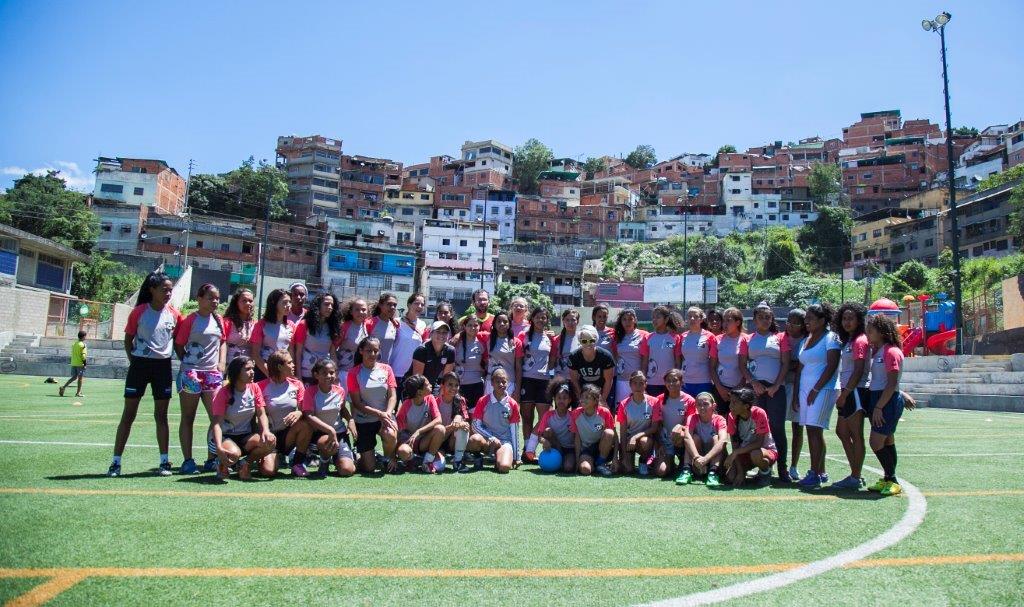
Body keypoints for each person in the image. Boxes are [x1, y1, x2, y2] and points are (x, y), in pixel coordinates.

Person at [108, 272, 182, 477]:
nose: (168, 293)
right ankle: (116, 462)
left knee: (162, 417)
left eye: (170, 290)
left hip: (163, 367)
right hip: (139, 366)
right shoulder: (139, 311)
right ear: (152, 290)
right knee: (128, 415)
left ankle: (164, 462)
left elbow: (178, 341)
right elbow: (128, 339)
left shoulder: (175, 314)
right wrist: (135, 362)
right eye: (164, 289)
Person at [173, 283, 227, 475]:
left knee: (216, 418)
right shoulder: (191, 320)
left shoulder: (218, 319)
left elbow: (223, 342)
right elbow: (179, 345)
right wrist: (189, 365)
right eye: (211, 297)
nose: (215, 301)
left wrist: (221, 363)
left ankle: (211, 459)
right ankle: (188, 461)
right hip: (191, 374)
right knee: (188, 418)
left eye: (217, 298)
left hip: (212, 374)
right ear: (199, 299)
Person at [740, 303, 792, 481]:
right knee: (757, 430)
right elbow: (742, 364)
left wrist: (776, 385)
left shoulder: (780, 337)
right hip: (755, 390)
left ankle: (783, 468)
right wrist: (753, 382)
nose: (765, 320)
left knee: (777, 428)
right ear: (754, 320)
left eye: (768, 317)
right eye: (761, 317)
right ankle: (762, 468)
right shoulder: (747, 339)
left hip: (775, 389)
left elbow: (785, 363)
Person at [792, 303, 841, 488]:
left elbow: (832, 366)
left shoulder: (831, 338)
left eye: (810, 318)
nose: (807, 322)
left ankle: (814, 473)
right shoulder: (807, 339)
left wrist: (816, 389)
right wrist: (797, 394)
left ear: (822, 320)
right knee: (813, 430)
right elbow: (800, 368)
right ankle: (821, 471)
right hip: (806, 391)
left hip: (823, 390)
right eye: (806, 319)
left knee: (814, 429)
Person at [210, 356, 276, 481]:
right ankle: (221, 463)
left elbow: (261, 413)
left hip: (246, 436)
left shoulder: (254, 388)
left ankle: (244, 464)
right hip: (225, 436)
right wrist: (219, 447)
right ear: (236, 372)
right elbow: (217, 424)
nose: (252, 372)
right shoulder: (223, 393)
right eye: (247, 369)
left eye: (253, 368)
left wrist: (266, 431)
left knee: (270, 442)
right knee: (234, 454)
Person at [865, 314, 907, 497]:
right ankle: (888, 478)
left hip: (886, 401)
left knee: (875, 441)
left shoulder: (891, 351)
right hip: (880, 399)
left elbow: (891, 383)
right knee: (887, 440)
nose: (867, 333)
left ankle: (892, 479)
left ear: (881, 332)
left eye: (871, 330)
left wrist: (879, 407)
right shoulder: (879, 350)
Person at [832, 303, 870, 490]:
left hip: (855, 391)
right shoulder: (848, 340)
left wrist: (845, 393)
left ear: (859, 320)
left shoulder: (860, 340)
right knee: (842, 431)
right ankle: (855, 472)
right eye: (844, 318)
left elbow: (859, 369)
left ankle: (856, 476)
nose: (847, 322)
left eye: (851, 318)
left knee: (856, 434)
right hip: (847, 391)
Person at [346, 336, 398, 473]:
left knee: (390, 434)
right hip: (364, 420)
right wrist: (379, 414)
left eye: (376, 351)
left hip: (384, 418)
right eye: (369, 351)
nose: (373, 354)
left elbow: (392, 396)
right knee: (369, 468)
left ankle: (388, 458)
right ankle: (359, 456)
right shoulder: (353, 373)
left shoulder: (387, 369)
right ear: (361, 351)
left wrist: (387, 413)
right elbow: (357, 404)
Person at [299, 358, 355, 478]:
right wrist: (330, 430)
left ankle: (342, 458)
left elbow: (343, 409)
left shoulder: (340, 391)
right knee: (325, 442)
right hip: (321, 434)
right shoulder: (310, 391)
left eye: (332, 372)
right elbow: (308, 415)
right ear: (316, 375)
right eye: (324, 373)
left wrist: (350, 420)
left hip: (339, 433)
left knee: (347, 470)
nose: (329, 376)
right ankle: (324, 461)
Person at [255, 349, 307, 477]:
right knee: (268, 472)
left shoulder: (297, 384)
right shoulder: (260, 386)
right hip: (269, 435)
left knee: (306, 425)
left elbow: (306, 409)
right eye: (289, 363)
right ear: (279, 366)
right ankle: (266, 456)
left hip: (288, 434)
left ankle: (297, 463)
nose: (293, 365)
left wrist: (299, 413)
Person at [466, 368, 521, 473]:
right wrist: (491, 437)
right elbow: (475, 425)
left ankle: (497, 458)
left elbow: (515, 432)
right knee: (474, 440)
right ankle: (479, 457)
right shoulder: (483, 400)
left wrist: (517, 457)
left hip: (505, 442)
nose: (501, 384)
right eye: (497, 381)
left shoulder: (512, 404)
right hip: (487, 440)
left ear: (507, 383)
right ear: (491, 383)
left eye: (504, 381)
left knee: (504, 467)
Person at [724, 387, 778, 487]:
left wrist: (735, 453)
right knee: (730, 477)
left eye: (734, 403)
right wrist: (740, 472)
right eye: (730, 402)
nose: (730, 406)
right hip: (743, 453)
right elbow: (735, 445)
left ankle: (765, 472)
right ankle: (745, 472)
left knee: (755, 454)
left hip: (765, 451)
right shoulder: (731, 416)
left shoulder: (759, 413)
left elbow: (759, 443)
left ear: (746, 406)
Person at [523, 377, 576, 473]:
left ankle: (567, 460)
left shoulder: (573, 416)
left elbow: (577, 437)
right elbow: (540, 435)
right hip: (555, 447)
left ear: (569, 400)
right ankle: (557, 458)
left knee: (568, 468)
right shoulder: (548, 415)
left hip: (569, 449)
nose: (561, 401)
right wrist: (544, 441)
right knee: (547, 431)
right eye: (559, 398)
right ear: (554, 399)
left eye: (565, 398)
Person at [395, 375, 446, 473]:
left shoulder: (430, 398)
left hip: (424, 441)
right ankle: (412, 460)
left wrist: (419, 431)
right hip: (409, 442)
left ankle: (426, 462)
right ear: (419, 392)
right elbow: (397, 431)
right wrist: (393, 457)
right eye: (427, 384)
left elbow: (438, 420)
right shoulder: (406, 405)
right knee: (403, 451)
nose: (431, 385)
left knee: (440, 429)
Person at [676, 392, 728, 486]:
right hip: (698, 460)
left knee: (716, 438)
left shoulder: (720, 419)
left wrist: (706, 459)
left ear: (714, 406)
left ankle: (713, 473)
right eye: (699, 405)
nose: (702, 407)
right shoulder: (692, 418)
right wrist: (696, 458)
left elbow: (723, 441)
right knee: (692, 438)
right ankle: (686, 471)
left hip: (712, 458)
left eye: (705, 404)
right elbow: (687, 437)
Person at [616, 371, 662, 476]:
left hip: (645, 440)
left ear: (646, 384)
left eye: (641, 383)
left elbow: (655, 428)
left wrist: (636, 437)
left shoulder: (654, 402)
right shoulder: (624, 404)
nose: (638, 386)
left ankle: (643, 461)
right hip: (629, 441)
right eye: (635, 383)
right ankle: (626, 459)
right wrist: (623, 453)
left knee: (645, 441)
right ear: (630, 385)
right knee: (627, 470)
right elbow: (622, 431)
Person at [519, 307, 553, 447]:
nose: (540, 320)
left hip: (544, 381)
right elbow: (518, 358)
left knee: (544, 418)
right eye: (538, 317)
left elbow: (552, 360)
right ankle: (527, 449)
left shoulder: (550, 337)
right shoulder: (524, 335)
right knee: (527, 417)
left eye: (543, 317)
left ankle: (531, 446)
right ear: (532, 318)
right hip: (527, 380)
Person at [654, 369, 696, 479]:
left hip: (680, 438)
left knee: (680, 433)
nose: (671, 383)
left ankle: (683, 459)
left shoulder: (689, 400)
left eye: (675, 380)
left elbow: (690, 425)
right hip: (665, 441)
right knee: (661, 471)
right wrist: (659, 444)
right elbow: (657, 425)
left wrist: (679, 428)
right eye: (668, 381)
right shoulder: (659, 399)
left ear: (681, 382)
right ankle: (669, 462)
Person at [291, 291, 339, 385]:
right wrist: (299, 377)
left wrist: (335, 375)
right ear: (318, 305)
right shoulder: (304, 324)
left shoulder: (333, 327)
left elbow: (333, 353)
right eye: (326, 304)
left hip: (325, 375)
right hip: (306, 374)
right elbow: (298, 353)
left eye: (332, 305)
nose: (330, 307)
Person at [783, 308, 808, 482]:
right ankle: (776, 464)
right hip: (780, 386)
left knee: (797, 428)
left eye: (795, 323)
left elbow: (800, 365)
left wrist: (788, 363)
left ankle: (794, 466)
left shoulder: (807, 341)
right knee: (775, 427)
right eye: (788, 322)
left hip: (799, 387)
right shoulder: (780, 337)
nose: (791, 326)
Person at [251, 288, 295, 382]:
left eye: (290, 302)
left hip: (284, 371)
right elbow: (255, 354)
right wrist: (270, 374)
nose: (288, 305)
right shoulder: (261, 325)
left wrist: (288, 372)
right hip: (263, 372)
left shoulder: (291, 325)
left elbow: (291, 351)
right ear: (274, 304)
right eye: (284, 302)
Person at [571, 384, 616, 476]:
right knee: (585, 470)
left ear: (595, 400)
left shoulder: (605, 412)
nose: (583, 400)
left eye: (587, 397)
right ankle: (596, 465)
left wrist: (615, 458)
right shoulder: (575, 414)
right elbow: (577, 438)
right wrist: (577, 460)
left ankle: (600, 462)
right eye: (582, 396)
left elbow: (615, 436)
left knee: (609, 432)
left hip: (604, 448)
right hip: (586, 450)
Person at [567, 324, 615, 409]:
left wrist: (602, 400)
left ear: (596, 339)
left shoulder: (606, 356)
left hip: (602, 392)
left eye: (591, 340)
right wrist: (581, 398)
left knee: (605, 417)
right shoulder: (574, 356)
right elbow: (574, 380)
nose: (588, 344)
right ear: (579, 341)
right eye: (584, 341)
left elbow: (608, 380)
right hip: (582, 392)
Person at [711, 307, 749, 410]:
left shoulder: (747, 339)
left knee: (738, 422)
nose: (725, 324)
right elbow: (712, 367)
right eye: (724, 320)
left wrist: (739, 388)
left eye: (729, 320)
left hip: (741, 389)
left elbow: (748, 366)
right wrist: (720, 388)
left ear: (738, 322)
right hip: (720, 389)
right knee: (721, 421)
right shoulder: (717, 340)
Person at [610, 309, 648, 410]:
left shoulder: (644, 335)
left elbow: (645, 358)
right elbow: (614, 356)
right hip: (621, 380)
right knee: (622, 410)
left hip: (637, 380)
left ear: (635, 320)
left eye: (630, 319)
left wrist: (643, 376)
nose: (627, 322)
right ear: (621, 321)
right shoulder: (616, 336)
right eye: (624, 319)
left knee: (638, 409)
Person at [640, 306, 681, 397]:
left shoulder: (675, 338)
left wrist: (676, 380)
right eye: (653, 317)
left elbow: (678, 363)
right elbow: (644, 363)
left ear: (666, 319)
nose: (654, 320)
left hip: (670, 384)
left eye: (658, 317)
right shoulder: (647, 338)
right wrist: (643, 381)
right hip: (652, 384)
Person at [680, 306, 718, 404]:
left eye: (695, 316)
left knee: (703, 410)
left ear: (701, 319)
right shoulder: (682, 336)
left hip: (703, 381)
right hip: (686, 382)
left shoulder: (710, 336)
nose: (692, 319)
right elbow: (680, 359)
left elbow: (714, 362)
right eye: (689, 316)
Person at [481, 312, 523, 398]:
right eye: (499, 321)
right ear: (494, 324)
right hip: (491, 383)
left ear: (509, 324)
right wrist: (458, 335)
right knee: (490, 410)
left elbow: (519, 368)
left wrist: (518, 389)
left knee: (507, 411)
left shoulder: (516, 342)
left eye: (505, 321)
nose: (502, 324)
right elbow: (470, 332)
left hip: (509, 382)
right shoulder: (487, 338)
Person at [436, 371, 471, 472]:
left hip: (452, 440)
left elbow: (465, 420)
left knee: (464, 427)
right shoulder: (435, 401)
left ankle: (458, 461)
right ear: (442, 385)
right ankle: (428, 457)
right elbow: (434, 429)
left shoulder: (460, 400)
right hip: (437, 440)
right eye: (450, 385)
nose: (454, 388)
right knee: (439, 467)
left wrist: (459, 418)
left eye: (456, 385)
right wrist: (453, 425)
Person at [391, 293, 428, 388]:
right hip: (394, 372)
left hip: (412, 375)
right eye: (416, 303)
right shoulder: (396, 322)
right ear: (409, 304)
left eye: (422, 304)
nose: (419, 306)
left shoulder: (423, 325)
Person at [411, 320, 456, 394]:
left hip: (432, 385)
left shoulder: (450, 351)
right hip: (415, 386)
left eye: (444, 332)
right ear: (431, 334)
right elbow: (417, 378)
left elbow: (446, 378)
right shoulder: (422, 350)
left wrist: (441, 395)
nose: (441, 335)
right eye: (438, 331)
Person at [454, 315, 488, 408]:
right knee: (460, 416)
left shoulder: (482, 341)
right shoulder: (456, 342)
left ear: (479, 327)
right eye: (469, 325)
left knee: (475, 417)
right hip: (459, 385)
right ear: (464, 327)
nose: (473, 328)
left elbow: (486, 362)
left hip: (477, 385)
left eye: (475, 325)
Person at [335, 297, 369, 385]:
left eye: (363, 309)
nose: (361, 312)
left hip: (359, 372)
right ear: (351, 312)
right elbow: (333, 348)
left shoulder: (367, 326)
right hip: (343, 372)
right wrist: (335, 370)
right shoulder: (345, 326)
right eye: (357, 309)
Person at [223, 289, 256, 364]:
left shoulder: (255, 324)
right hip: (228, 366)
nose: (248, 303)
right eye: (244, 300)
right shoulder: (226, 322)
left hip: (248, 368)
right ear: (236, 303)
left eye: (250, 301)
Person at [367, 293, 400, 367]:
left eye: (395, 305)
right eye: (389, 304)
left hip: (385, 368)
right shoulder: (369, 323)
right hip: (369, 367)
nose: (392, 307)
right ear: (380, 305)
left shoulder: (395, 325)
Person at [550, 308, 581, 376]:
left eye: (573, 320)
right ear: (563, 321)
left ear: (577, 321)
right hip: (561, 380)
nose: (570, 323)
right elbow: (551, 364)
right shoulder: (556, 340)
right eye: (567, 320)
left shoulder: (583, 338)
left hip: (578, 379)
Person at [59, 330, 88, 398]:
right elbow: (83, 356)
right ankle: (78, 393)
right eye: (85, 336)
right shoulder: (83, 345)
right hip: (80, 364)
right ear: (83, 337)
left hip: (74, 363)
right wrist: (85, 364)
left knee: (74, 377)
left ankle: (63, 387)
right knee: (80, 379)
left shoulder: (74, 344)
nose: (86, 337)